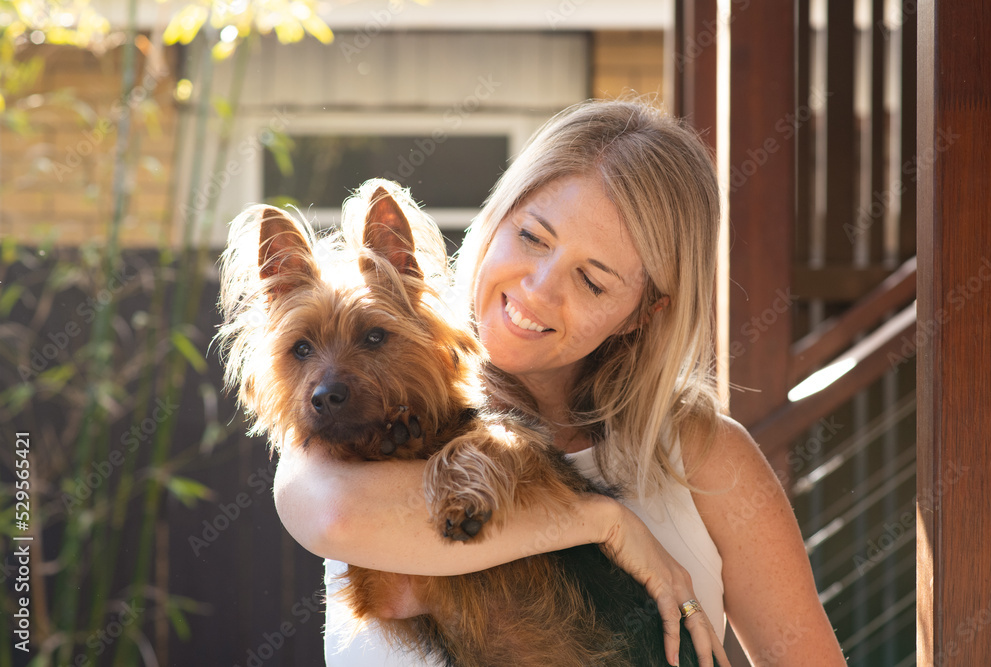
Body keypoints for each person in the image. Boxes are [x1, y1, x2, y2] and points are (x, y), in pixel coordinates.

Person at [273, 98, 846, 666]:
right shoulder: (348, 435)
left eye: (592, 282)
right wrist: (605, 523)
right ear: (498, 215)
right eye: (532, 237)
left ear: (645, 312)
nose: (539, 290)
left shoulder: (705, 455)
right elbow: (342, 525)